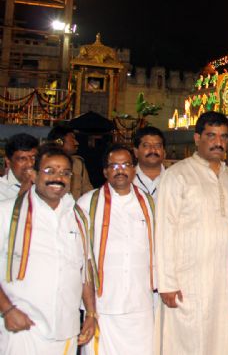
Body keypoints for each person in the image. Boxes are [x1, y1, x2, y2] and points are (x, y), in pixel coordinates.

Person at [155, 111, 228, 354]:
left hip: (221, 281)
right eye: (211, 136)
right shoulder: (177, 175)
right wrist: (167, 283)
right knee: (187, 342)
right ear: (197, 138)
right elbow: (164, 229)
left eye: (223, 137)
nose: (218, 142)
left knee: (220, 340)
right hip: (187, 281)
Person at [0, 144, 97, 352]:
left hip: (66, 329)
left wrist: (90, 313)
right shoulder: (7, 213)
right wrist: (7, 310)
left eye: (65, 173)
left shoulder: (78, 217)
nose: (58, 178)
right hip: (22, 327)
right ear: (34, 175)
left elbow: (83, 270)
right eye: (50, 171)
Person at [78, 144, 156, 355]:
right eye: (114, 166)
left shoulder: (149, 204)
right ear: (105, 171)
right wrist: (90, 310)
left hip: (141, 305)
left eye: (125, 165)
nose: (120, 170)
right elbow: (82, 262)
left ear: (134, 169)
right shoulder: (87, 204)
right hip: (103, 307)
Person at [48, 125, 93, 199]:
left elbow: (87, 189)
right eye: (72, 139)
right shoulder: (46, 164)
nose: (76, 143)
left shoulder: (78, 164)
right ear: (60, 142)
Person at [0, 134, 38, 201]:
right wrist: (23, 194)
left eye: (33, 157)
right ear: (8, 161)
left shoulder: (46, 183)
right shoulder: (1, 188)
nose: (30, 164)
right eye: (22, 159)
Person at [132, 126, 166, 199]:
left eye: (158, 146)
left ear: (164, 152)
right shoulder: (127, 179)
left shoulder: (174, 178)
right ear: (136, 152)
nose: (153, 150)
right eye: (146, 146)